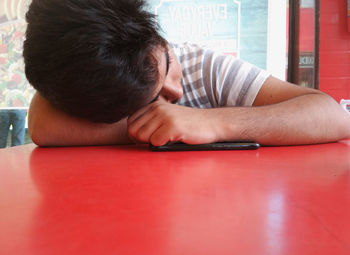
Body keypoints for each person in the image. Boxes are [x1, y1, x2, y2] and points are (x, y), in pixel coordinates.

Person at [23, 0, 350, 147]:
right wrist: (153, 128)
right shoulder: (88, 85)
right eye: (155, 98)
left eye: (166, 62)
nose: (175, 92)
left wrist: (214, 122)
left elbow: (333, 116)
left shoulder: (203, 66)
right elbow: (41, 124)